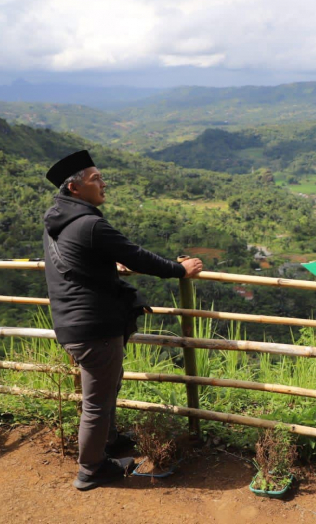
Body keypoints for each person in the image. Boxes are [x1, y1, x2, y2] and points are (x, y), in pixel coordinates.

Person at [42, 149, 202, 491]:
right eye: (95, 179)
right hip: (94, 327)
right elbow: (137, 256)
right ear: (74, 188)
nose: (103, 183)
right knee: (97, 401)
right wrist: (180, 269)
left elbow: (72, 260)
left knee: (107, 386)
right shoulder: (90, 224)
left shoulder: (59, 220)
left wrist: (104, 264)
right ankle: (91, 470)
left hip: (74, 324)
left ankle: (107, 443)